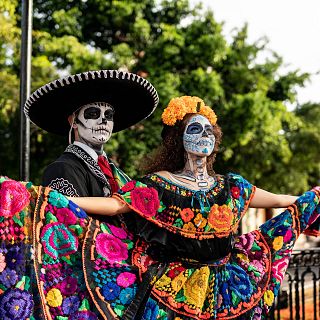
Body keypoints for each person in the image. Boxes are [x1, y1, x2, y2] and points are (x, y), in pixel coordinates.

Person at [0, 96, 319, 320]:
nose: (203, 136)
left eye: (208, 130)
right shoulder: (159, 184)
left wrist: (313, 199)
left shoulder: (230, 186)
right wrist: (40, 200)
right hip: (169, 290)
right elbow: (115, 206)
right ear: (179, 139)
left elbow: (280, 200)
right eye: (195, 130)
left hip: (221, 287)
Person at [24, 69, 159, 197]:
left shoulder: (116, 172)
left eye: (109, 115)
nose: (103, 121)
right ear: (73, 121)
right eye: (93, 113)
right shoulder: (62, 169)